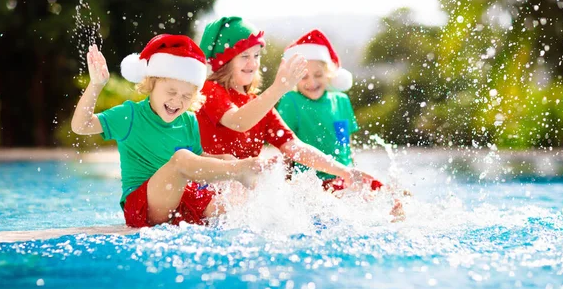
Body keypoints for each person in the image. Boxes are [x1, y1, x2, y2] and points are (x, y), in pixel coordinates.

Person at [71, 34, 271, 228]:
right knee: (182, 158)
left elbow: (198, 159)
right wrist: (96, 85)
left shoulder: (188, 120)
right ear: (151, 84)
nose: (177, 101)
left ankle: (267, 206)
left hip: (181, 201)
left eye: (186, 96)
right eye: (171, 92)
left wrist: (226, 160)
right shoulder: (130, 115)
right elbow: (81, 126)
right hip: (143, 206)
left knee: (228, 187)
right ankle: (239, 171)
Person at [195, 16, 375, 191]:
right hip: (208, 187)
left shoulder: (258, 104)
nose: (253, 63)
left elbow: (295, 147)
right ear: (225, 60)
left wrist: (342, 171)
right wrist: (278, 88)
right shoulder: (210, 90)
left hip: (239, 193)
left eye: (256, 55)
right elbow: (239, 121)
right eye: (244, 56)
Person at [277, 29, 406, 220]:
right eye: (304, 77)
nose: (311, 82)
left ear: (329, 74)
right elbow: (285, 148)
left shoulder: (341, 100)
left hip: (343, 177)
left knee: (394, 202)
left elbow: (346, 146)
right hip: (311, 183)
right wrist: (285, 188)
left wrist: (356, 177)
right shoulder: (291, 101)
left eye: (318, 75)